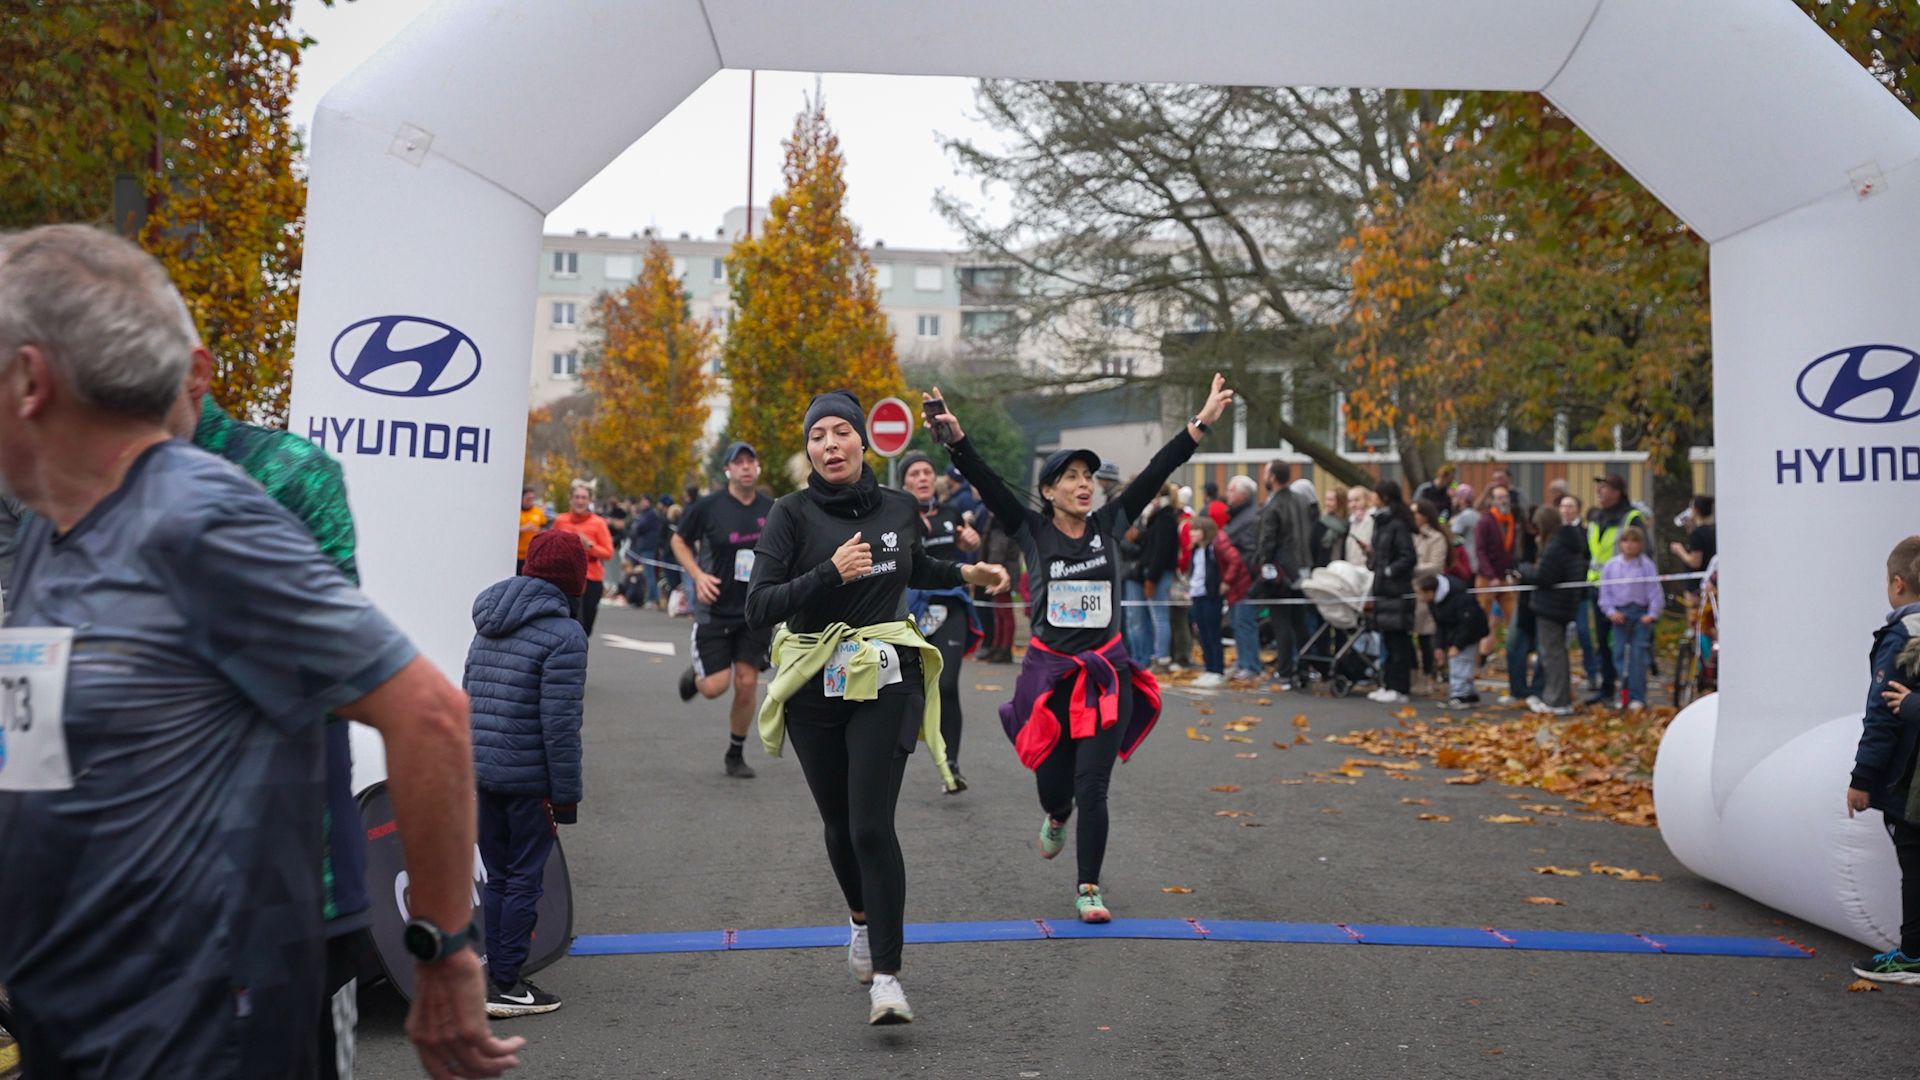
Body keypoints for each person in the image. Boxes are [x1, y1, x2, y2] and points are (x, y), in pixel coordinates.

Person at [0, 224, 520, 1080]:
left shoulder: (197, 518)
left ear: (30, 380)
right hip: (77, 1014)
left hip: (198, 1031)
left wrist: (442, 954)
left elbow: (428, 714)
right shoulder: (45, 529)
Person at [746, 391, 1009, 1026]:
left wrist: (966, 574)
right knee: (839, 825)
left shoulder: (898, 506)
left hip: (887, 676)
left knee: (870, 825)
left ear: (862, 442)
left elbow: (912, 564)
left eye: (840, 432)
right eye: (817, 436)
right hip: (814, 681)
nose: (829, 445)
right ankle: (861, 921)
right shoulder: (789, 514)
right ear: (809, 450)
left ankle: (887, 978)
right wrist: (828, 574)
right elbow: (758, 605)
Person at [940, 374, 1233, 926]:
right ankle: (1056, 815)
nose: (1084, 485)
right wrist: (957, 441)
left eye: (1088, 477)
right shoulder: (1031, 530)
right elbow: (988, 482)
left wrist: (1200, 423)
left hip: (1105, 675)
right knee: (1056, 787)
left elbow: (1158, 470)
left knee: (1094, 784)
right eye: (1071, 477)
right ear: (1049, 491)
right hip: (1050, 678)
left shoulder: (1109, 524)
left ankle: (1088, 888)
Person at [168, 355, 383, 1079]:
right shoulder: (83, 486)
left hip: (291, 873)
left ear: (195, 372)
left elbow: (343, 663)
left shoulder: (289, 471)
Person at [465, 530, 586, 1018]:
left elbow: (468, 695)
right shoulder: (565, 635)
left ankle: (496, 972)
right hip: (528, 778)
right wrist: (566, 797)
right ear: (574, 580)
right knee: (523, 879)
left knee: (497, 876)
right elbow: (560, 725)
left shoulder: (488, 619)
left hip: (481, 769)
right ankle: (507, 984)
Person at [671, 443, 777, 780]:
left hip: (753, 610)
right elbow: (678, 541)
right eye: (738, 462)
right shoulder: (708, 506)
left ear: (757, 468)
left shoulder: (772, 508)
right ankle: (697, 676)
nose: (745, 467)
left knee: (747, 683)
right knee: (716, 686)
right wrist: (697, 575)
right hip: (714, 608)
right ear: (728, 470)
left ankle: (735, 753)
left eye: (750, 461)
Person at [1852, 536, 1920, 985]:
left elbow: (1882, 717)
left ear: (1897, 584)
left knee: (1913, 860)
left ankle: (1912, 954)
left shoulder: (1902, 635)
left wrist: (1862, 778)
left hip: (1908, 779)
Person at [898, 450, 985, 791]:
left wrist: (970, 543)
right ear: (904, 482)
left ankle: (951, 764)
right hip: (911, 610)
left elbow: (967, 552)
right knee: (908, 691)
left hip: (950, 605)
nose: (922, 478)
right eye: (914, 473)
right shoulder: (896, 516)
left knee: (947, 685)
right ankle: (890, 760)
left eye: (926, 472)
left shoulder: (950, 513)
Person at [1584, 474, 1647, 704]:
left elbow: (1644, 553)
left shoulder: (1631, 517)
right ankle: (1607, 687)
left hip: (1624, 593)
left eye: (1604, 488)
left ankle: (1630, 691)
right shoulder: (1595, 518)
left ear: (1617, 492)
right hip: (1598, 588)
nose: (1599, 492)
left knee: (1624, 646)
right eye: (1598, 488)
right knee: (1602, 642)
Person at [1525, 503, 1589, 716]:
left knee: (1552, 654)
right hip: (1564, 603)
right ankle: (1560, 697)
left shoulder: (1556, 545)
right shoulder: (1570, 541)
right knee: (1558, 653)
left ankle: (1556, 701)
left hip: (1551, 605)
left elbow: (1544, 577)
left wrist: (1524, 570)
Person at [1597, 525, 1663, 710]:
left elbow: (1654, 591)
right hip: (1620, 615)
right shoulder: (1611, 566)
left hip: (1640, 615)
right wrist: (1611, 612)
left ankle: (1637, 696)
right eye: (1626, 541)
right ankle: (1623, 693)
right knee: (1619, 655)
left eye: (1634, 541)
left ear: (1640, 544)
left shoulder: (1646, 565)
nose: (1630, 545)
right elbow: (1605, 593)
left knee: (1637, 656)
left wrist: (1652, 613)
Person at [1365, 480, 1417, 705]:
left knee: (1398, 642)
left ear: (1384, 497)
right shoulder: (1380, 524)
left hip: (1396, 591)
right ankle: (1388, 683)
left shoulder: (1397, 525)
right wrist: (1372, 558)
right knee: (1387, 640)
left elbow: (1408, 556)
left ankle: (1399, 687)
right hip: (1383, 590)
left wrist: (1389, 571)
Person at [1187, 514, 1249, 689]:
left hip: (1211, 594)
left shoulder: (1214, 548)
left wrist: (1226, 582)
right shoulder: (1195, 550)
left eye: (1196, 530)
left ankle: (1217, 669)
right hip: (1197, 593)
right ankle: (1208, 668)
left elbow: (1235, 560)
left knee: (1213, 631)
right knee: (1202, 633)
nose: (1192, 533)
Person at [1417, 571, 1489, 709]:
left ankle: (1460, 695)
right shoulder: (1434, 602)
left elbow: (1468, 623)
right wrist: (1439, 646)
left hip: (1471, 629)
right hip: (1455, 629)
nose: (1419, 598)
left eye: (1421, 593)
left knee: (1459, 661)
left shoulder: (1459, 595)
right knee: (1460, 661)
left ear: (1430, 592)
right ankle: (1469, 694)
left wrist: (1457, 645)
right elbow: (1440, 624)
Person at [550, 482, 614, 637]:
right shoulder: (561, 520)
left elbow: (608, 553)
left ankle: (580, 648)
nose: (580, 501)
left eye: (584, 498)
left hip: (591, 577)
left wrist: (589, 546)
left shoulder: (598, 523)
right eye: (577, 497)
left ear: (589, 501)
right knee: (568, 622)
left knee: (586, 626)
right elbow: (550, 547)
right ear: (571, 499)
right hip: (566, 578)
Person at [1222, 474, 1264, 680]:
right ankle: (1243, 662)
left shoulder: (1249, 518)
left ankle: (1251, 665)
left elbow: (1249, 551)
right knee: (1237, 623)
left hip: (1244, 580)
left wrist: (1237, 569)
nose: (1227, 494)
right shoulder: (1239, 516)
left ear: (1243, 494)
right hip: (1236, 580)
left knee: (1245, 623)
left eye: (1231, 490)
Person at [1473, 485, 1520, 660]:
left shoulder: (1510, 520)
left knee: (1513, 616)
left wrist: (1512, 571)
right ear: (1492, 501)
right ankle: (1477, 656)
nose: (1504, 501)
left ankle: (1514, 654)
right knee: (1482, 619)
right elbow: (1480, 551)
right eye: (1499, 497)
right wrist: (1491, 575)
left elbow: (1510, 551)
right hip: (1487, 578)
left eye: (1505, 497)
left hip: (1504, 577)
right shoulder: (1485, 521)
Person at [1141, 482, 1184, 670]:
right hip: (1158, 571)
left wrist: (1152, 577)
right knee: (1158, 617)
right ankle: (1159, 654)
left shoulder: (1165, 519)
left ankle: (1162, 657)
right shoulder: (1163, 517)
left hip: (1159, 573)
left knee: (1160, 617)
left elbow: (1160, 551)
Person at [1559, 493, 1599, 686]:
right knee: (1559, 637)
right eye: (1563, 506)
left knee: (1584, 634)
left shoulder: (1585, 532)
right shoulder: (1556, 531)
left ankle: (1592, 673)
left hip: (1579, 592)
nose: (1566, 510)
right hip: (1560, 594)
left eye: (1570, 506)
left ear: (1578, 510)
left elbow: (1588, 558)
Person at [1411, 498, 1451, 689]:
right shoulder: (1411, 535)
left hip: (1428, 590)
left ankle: (1430, 674)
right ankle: (1416, 673)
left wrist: (1413, 568)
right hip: (1412, 590)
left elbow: (1436, 565)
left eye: (1416, 513)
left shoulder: (1436, 538)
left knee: (1427, 636)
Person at [979, 504, 1025, 664]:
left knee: (1004, 613)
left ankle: (1004, 648)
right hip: (1000, 573)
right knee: (999, 613)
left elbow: (997, 552)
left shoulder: (1001, 528)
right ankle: (998, 646)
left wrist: (990, 573)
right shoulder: (997, 526)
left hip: (1002, 574)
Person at [1669, 494, 1716, 596]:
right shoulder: (1714, 529)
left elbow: (1695, 562)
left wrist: (1680, 550)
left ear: (1696, 510)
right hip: (1712, 582)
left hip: (1698, 587)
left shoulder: (1697, 534)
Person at [623, 493, 662, 606]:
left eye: (643, 500)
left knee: (649, 573)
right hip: (644, 546)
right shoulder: (646, 513)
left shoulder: (650, 514)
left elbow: (639, 527)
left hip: (648, 547)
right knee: (647, 573)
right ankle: (652, 597)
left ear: (648, 501)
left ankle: (652, 599)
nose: (641, 503)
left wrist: (636, 525)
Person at [1313, 486, 1348, 570]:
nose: (1327, 503)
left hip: (1344, 568)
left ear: (1341, 501)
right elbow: (1314, 547)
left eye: (1331, 500)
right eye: (1326, 499)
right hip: (1323, 567)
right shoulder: (1321, 521)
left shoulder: (1349, 523)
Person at [516, 486, 547, 574]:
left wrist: (540, 530)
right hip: (517, 556)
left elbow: (546, 529)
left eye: (532, 499)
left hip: (533, 555)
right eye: (528, 499)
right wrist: (521, 529)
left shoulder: (538, 512)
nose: (531, 501)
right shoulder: (517, 512)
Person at [1345, 484, 1376, 566]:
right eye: (1350, 501)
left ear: (1366, 500)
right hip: (1352, 565)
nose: (1353, 504)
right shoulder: (1351, 521)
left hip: (1367, 566)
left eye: (1357, 500)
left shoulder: (1372, 519)